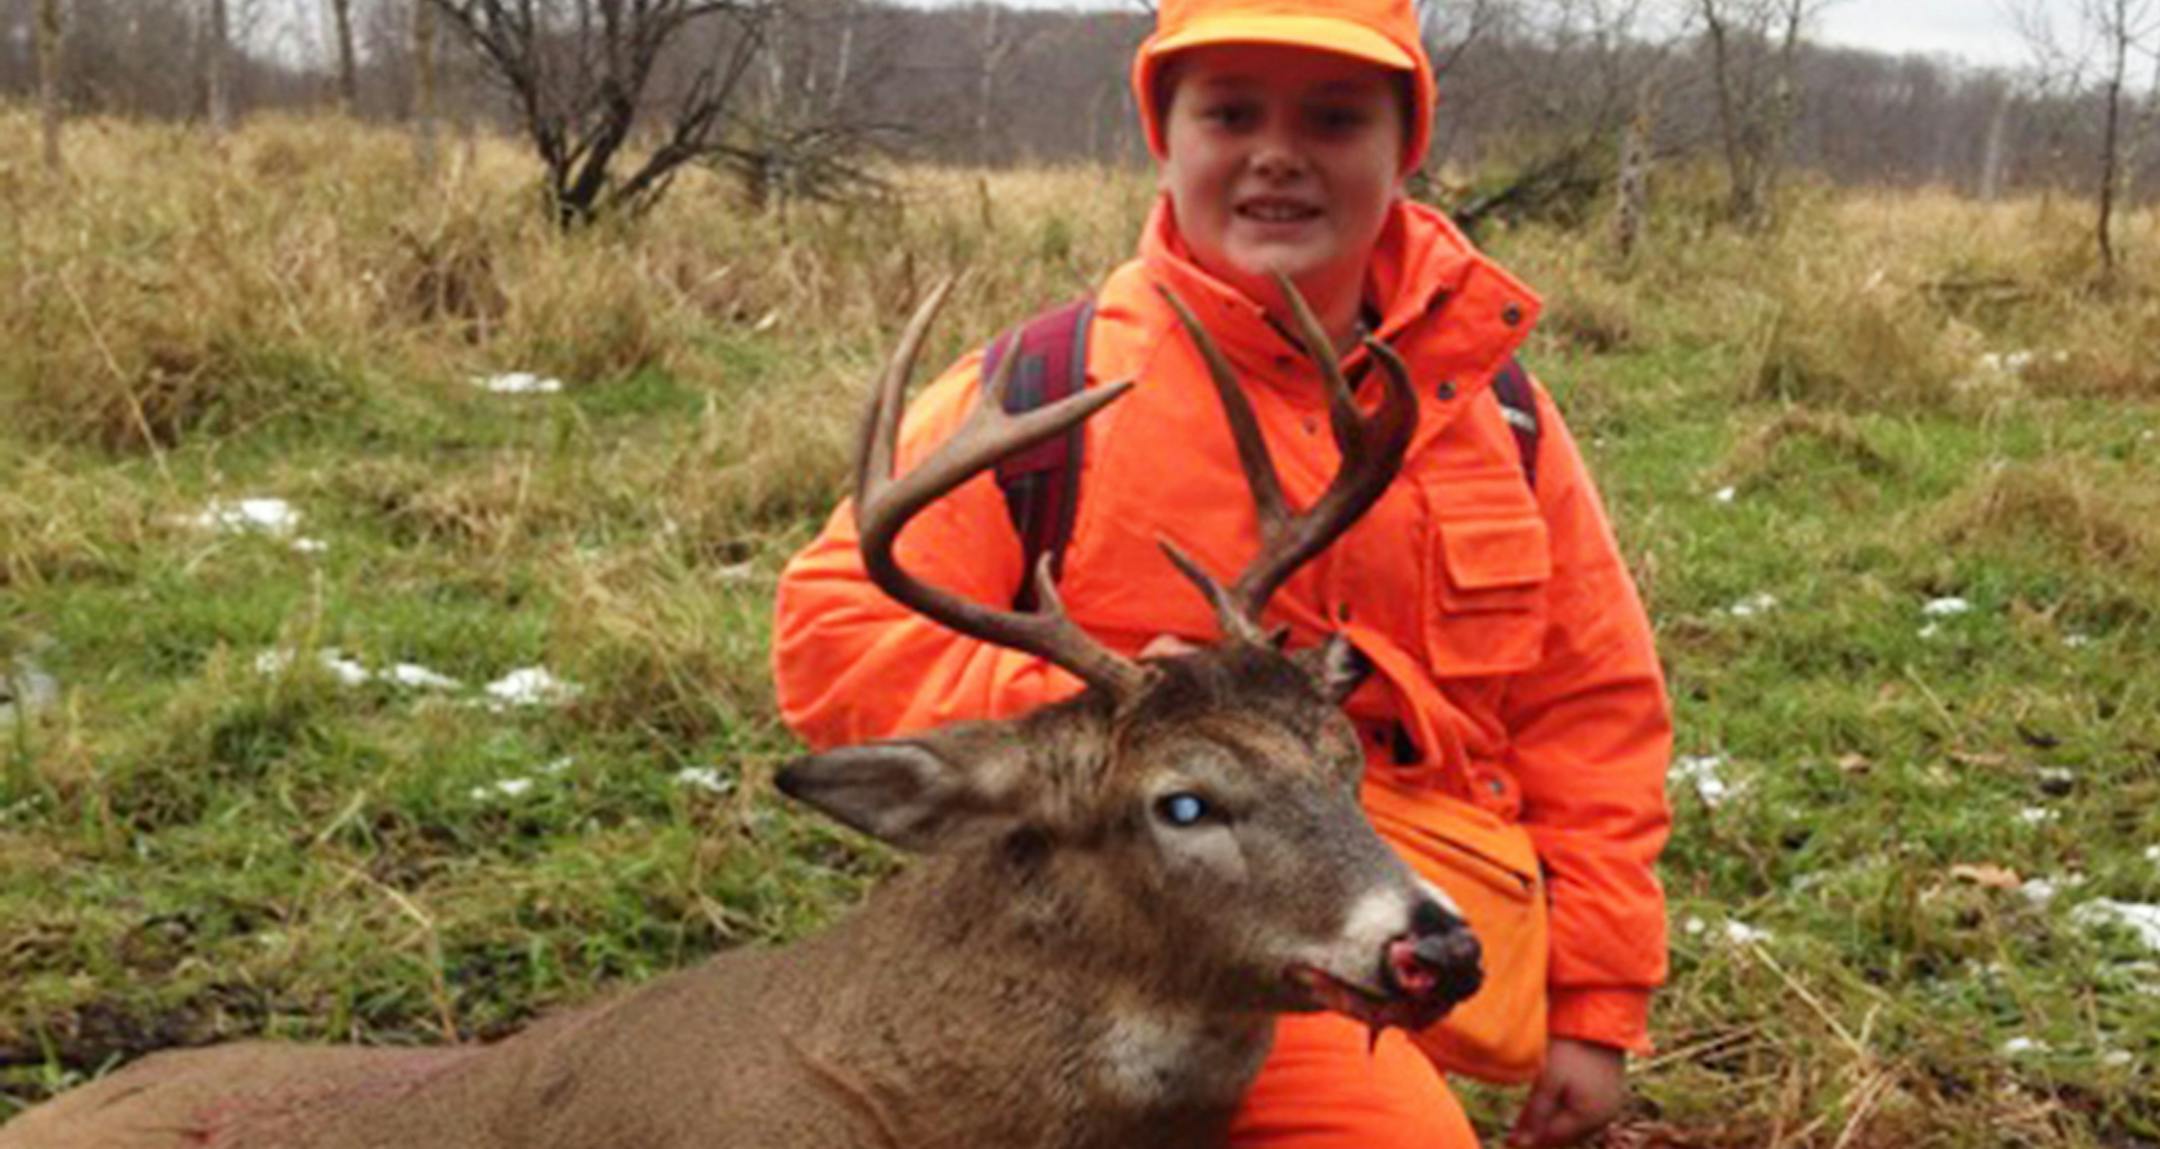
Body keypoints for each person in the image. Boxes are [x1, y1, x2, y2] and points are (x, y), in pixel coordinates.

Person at [770, 0, 1674, 1144]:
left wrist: (1596, 1007)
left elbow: (1592, 718)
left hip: (1423, 906)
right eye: (1232, 114)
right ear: (1166, 135)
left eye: (1334, 119)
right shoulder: (1047, 391)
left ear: (1406, 144)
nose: (1277, 155)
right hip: (1158, 935)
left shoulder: (1491, 409)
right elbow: (832, 633)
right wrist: (1101, 732)